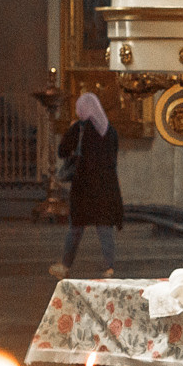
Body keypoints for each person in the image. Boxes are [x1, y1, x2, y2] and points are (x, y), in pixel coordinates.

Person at [51, 92, 122, 277]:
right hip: (106, 186)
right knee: (105, 228)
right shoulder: (110, 131)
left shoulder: (80, 129)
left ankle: (65, 265)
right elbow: (112, 158)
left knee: (76, 228)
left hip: (84, 186)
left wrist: (71, 132)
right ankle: (110, 267)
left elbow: (62, 151)